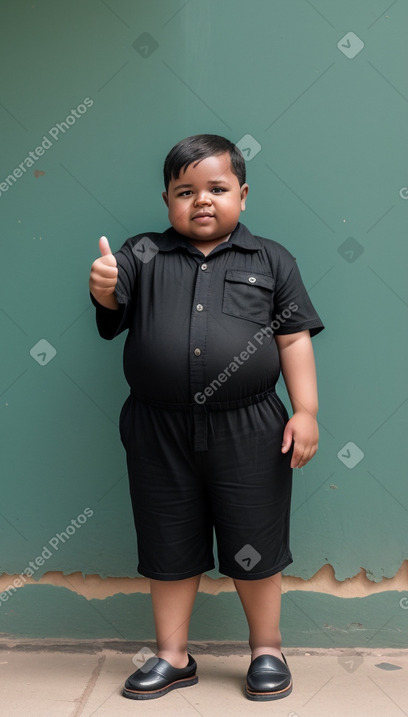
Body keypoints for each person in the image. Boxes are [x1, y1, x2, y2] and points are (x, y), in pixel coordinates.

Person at [89, 134, 324, 701]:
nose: (202, 200)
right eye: (184, 190)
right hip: (157, 427)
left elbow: (292, 340)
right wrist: (103, 289)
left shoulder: (272, 259)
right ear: (167, 200)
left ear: (242, 194)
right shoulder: (140, 254)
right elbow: (113, 305)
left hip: (251, 428)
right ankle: (173, 656)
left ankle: (266, 649)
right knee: (167, 544)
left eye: (217, 188)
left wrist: (307, 410)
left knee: (255, 544)